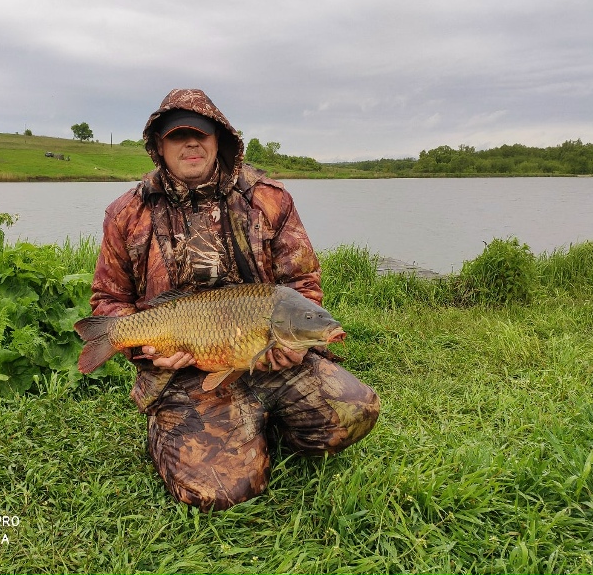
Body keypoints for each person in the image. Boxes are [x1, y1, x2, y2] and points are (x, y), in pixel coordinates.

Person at [90, 88, 380, 511]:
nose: (192, 144)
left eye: (202, 134)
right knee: (222, 491)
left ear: (219, 139)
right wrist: (147, 354)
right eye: (178, 136)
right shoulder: (128, 212)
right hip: (185, 372)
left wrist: (301, 348)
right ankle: (174, 428)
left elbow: (302, 284)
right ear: (159, 146)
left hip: (267, 357)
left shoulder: (267, 197)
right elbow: (109, 298)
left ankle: (262, 423)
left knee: (356, 411)